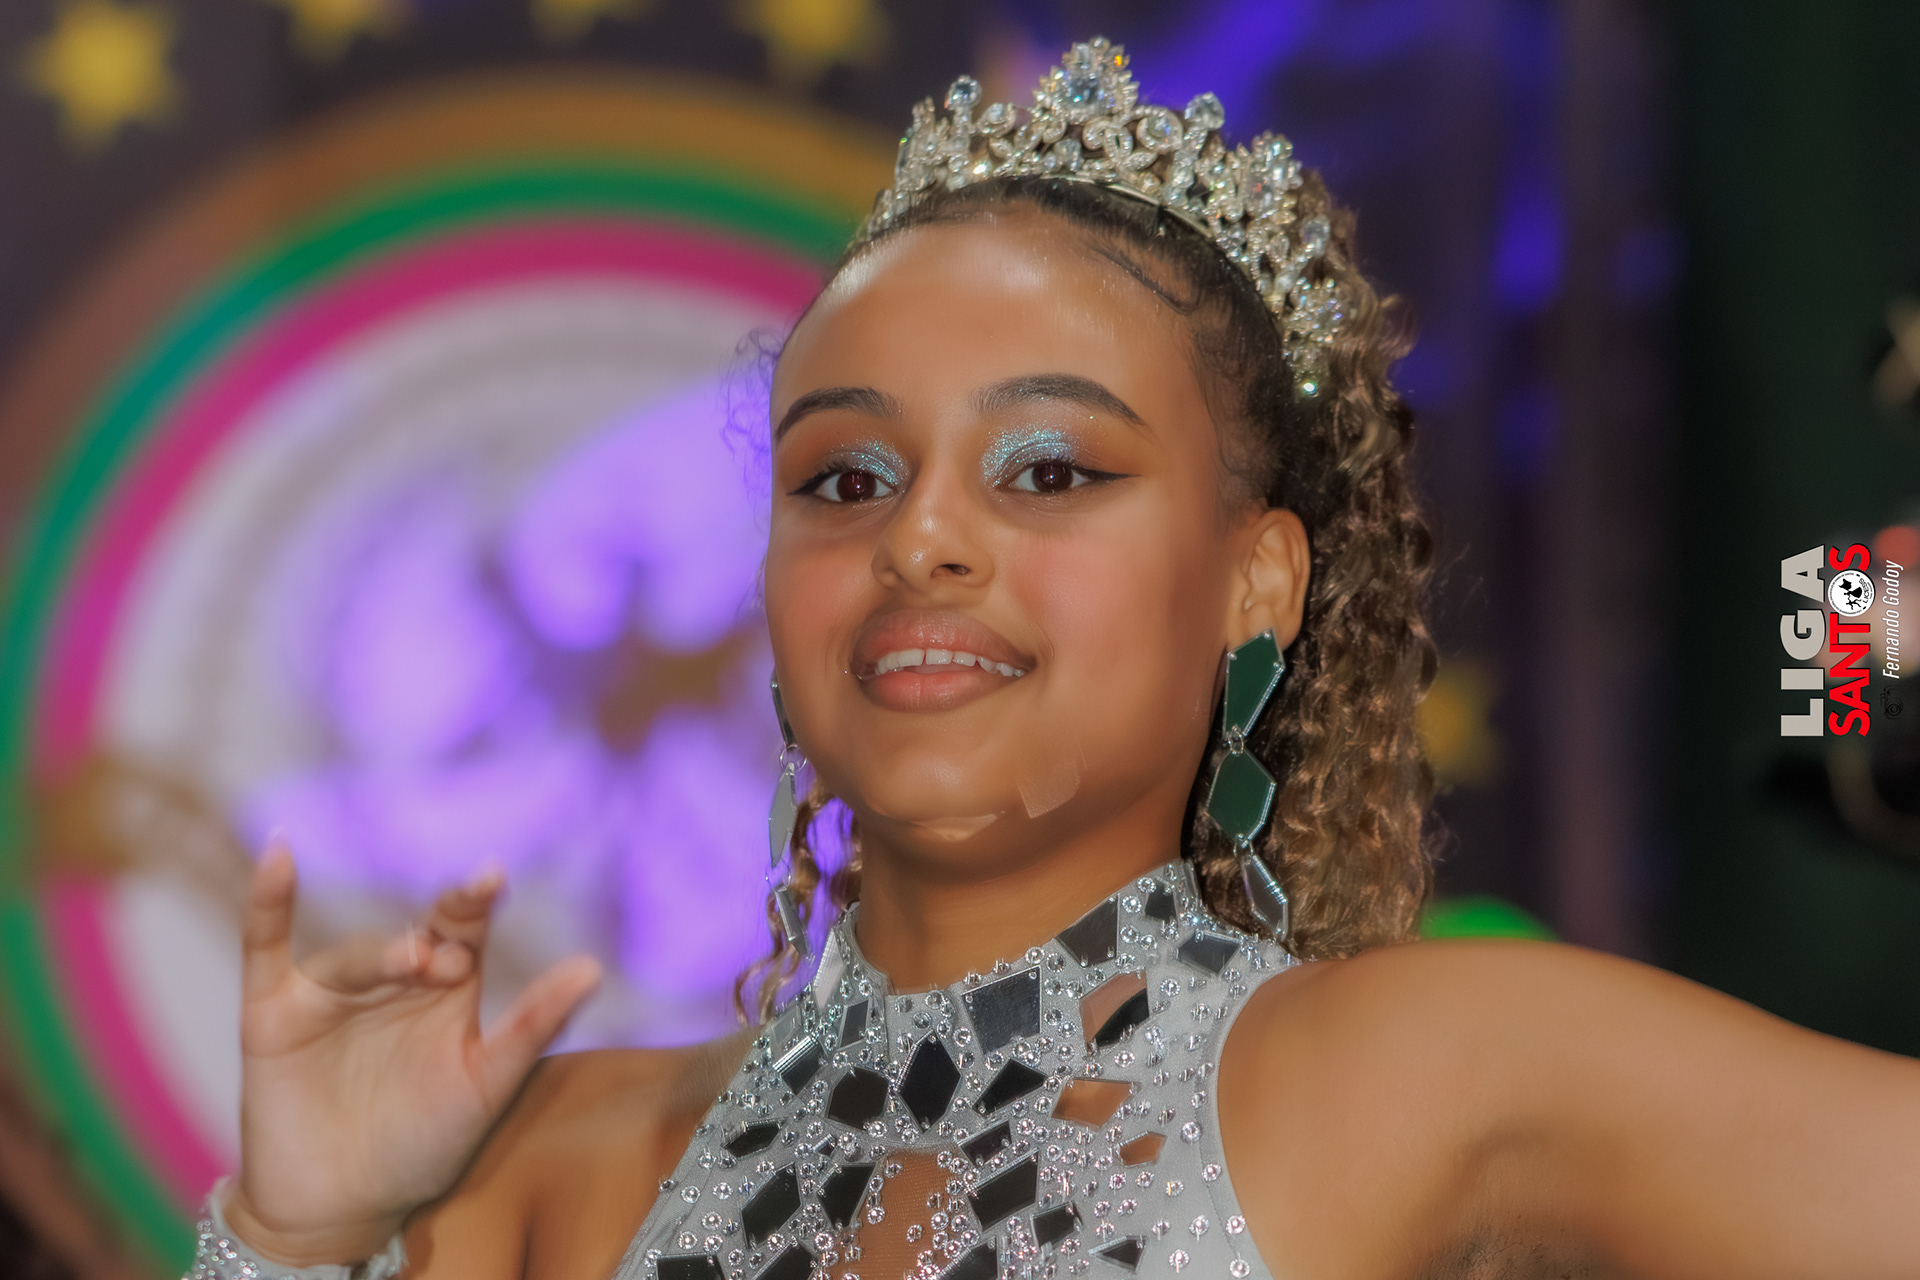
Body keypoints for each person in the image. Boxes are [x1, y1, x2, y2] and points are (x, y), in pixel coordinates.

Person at [191, 39, 1920, 1280]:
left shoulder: (1430, 1069)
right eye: (844, 479)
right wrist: (291, 1234)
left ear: (1255, 582)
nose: (921, 540)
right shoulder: (544, 1159)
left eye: (1050, 470)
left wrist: (1864, 647)